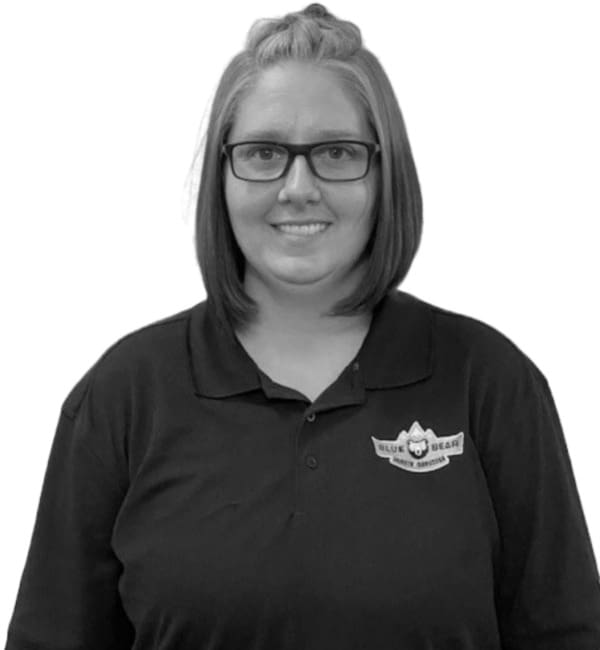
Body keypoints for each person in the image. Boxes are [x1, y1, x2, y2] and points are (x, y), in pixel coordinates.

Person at [4, 4, 600, 649]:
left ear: (385, 172)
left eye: (337, 152)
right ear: (222, 177)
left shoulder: (488, 382)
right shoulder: (123, 395)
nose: (297, 187)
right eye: (263, 153)